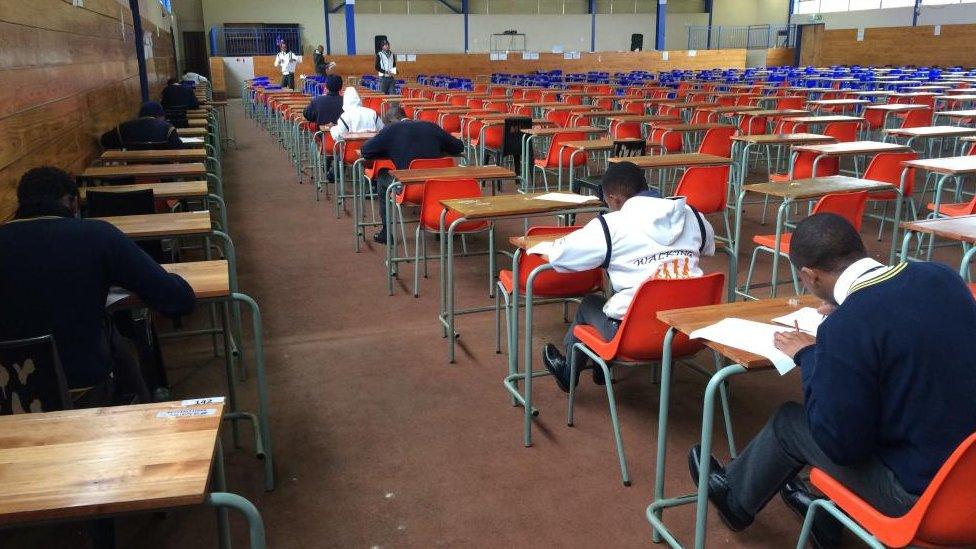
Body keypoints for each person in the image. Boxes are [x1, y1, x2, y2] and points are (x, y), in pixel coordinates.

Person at [688, 214, 976, 549]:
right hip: (963, 472)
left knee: (791, 424)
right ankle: (823, 512)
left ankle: (734, 499)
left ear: (809, 276)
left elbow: (841, 446)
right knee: (890, 397)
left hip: (925, 502)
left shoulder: (846, 328)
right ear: (861, 248)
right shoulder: (940, 276)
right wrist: (847, 313)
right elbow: (905, 329)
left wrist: (811, 356)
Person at [0, 168, 196, 405]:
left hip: (8, 396)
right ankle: (147, 404)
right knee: (112, 334)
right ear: (72, 202)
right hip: (84, 388)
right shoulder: (97, 236)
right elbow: (177, 299)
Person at [540, 161, 715, 389]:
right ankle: (600, 367)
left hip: (634, 337)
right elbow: (709, 245)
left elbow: (561, 256)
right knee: (626, 298)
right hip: (688, 330)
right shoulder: (692, 215)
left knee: (591, 304)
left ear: (613, 199)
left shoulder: (611, 226)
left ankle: (568, 373)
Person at [360, 106, 464, 244]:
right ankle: (442, 226)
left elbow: (365, 150)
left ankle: (386, 232)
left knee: (382, 175)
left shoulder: (391, 130)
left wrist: (388, 149)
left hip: (410, 190)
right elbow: (458, 147)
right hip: (438, 188)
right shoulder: (431, 126)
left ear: (391, 121)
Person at [100, 101, 183, 150]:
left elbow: (104, 141)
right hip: (163, 171)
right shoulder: (167, 128)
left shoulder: (124, 127)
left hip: (131, 171)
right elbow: (179, 147)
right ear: (159, 115)